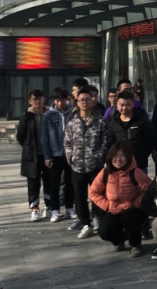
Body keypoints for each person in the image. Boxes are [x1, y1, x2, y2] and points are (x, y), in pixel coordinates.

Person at [89, 141, 154, 256]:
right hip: (114, 209)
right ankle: (120, 240)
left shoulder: (136, 172)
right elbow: (93, 192)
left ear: (128, 157)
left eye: (122, 156)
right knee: (104, 231)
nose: (118, 159)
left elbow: (151, 190)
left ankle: (136, 244)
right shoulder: (105, 173)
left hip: (133, 209)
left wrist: (135, 203)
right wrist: (107, 205)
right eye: (115, 156)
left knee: (129, 218)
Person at [65, 86, 107, 237]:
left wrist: (99, 157)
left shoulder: (101, 122)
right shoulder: (72, 123)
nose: (84, 102)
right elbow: (67, 143)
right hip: (77, 167)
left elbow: (105, 142)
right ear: (77, 102)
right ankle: (85, 223)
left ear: (92, 101)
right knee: (79, 197)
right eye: (81, 100)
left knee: (97, 194)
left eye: (87, 100)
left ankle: (96, 218)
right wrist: (71, 157)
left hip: (95, 166)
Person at [105, 90, 157, 173]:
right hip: (120, 167)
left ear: (133, 104)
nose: (124, 108)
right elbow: (110, 144)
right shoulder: (114, 123)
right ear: (117, 105)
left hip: (139, 166)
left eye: (128, 105)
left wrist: (142, 155)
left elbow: (151, 141)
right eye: (122, 105)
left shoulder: (142, 121)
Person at [17, 89, 49, 222]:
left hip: (48, 155)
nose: (37, 101)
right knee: (33, 184)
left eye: (39, 98)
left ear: (44, 99)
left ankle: (49, 206)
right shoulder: (27, 116)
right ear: (30, 101)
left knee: (49, 181)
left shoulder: (49, 114)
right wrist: (29, 146)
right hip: (32, 156)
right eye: (34, 99)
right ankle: (35, 208)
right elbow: (20, 136)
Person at [41, 88, 68, 222]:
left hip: (69, 153)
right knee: (54, 183)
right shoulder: (48, 115)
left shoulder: (72, 112)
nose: (60, 103)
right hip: (55, 153)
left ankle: (70, 207)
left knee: (69, 182)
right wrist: (47, 156)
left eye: (62, 100)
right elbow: (44, 137)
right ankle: (55, 210)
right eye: (57, 100)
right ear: (54, 101)